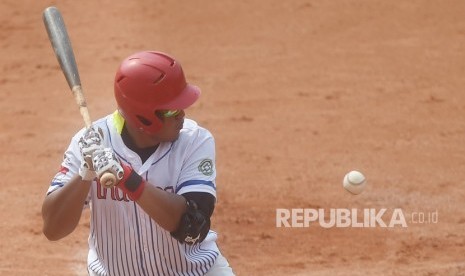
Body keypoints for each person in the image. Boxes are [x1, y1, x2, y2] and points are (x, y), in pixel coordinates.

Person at [41, 51, 235, 276]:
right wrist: (85, 173)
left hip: (195, 272)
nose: (182, 114)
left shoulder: (195, 141)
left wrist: (126, 177)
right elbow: (53, 229)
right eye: (172, 110)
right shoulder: (89, 143)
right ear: (144, 116)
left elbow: (192, 227)